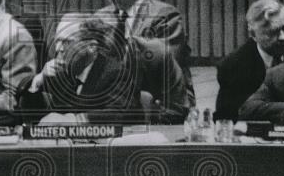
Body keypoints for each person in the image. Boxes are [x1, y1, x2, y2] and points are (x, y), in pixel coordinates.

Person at [22, 13, 190, 124]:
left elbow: (121, 113)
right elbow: (29, 116)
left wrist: (75, 120)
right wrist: (37, 81)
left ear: (91, 47)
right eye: (57, 41)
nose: (58, 48)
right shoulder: (59, 71)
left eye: (66, 42)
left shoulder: (116, 72)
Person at [92, 0, 195, 105]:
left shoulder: (165, 16)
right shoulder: (100, 17)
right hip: (116, 103)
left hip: (161, 104)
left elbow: (164, 72)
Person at [214, 0, 284, 121]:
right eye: (273, 31)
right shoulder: (234, 66)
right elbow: (231, 115)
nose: (283, 37)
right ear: (253, 34)